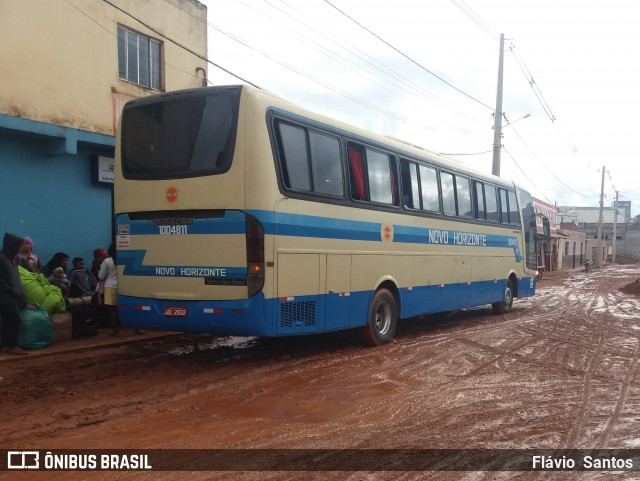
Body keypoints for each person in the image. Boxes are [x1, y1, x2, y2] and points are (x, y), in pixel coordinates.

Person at [98, 244, 144, 336]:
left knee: (112, 310)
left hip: (110, 286)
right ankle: (137, 329)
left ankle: (116, 331)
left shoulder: (107, 261)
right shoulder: (127, 258)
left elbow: (100, 276)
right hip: (125, 285)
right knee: (130, 308)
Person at [0, 233, 33, 355]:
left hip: (11, 294)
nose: (19, 248)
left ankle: (6, 345)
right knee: (15, 319)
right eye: (18, 246)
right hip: (4, 295)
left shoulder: (12, 259)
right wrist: (11, 290)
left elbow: (15, 277)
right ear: (11, 245)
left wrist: (20, 290)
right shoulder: (2, 258)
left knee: (7, 320)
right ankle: (13, 346)